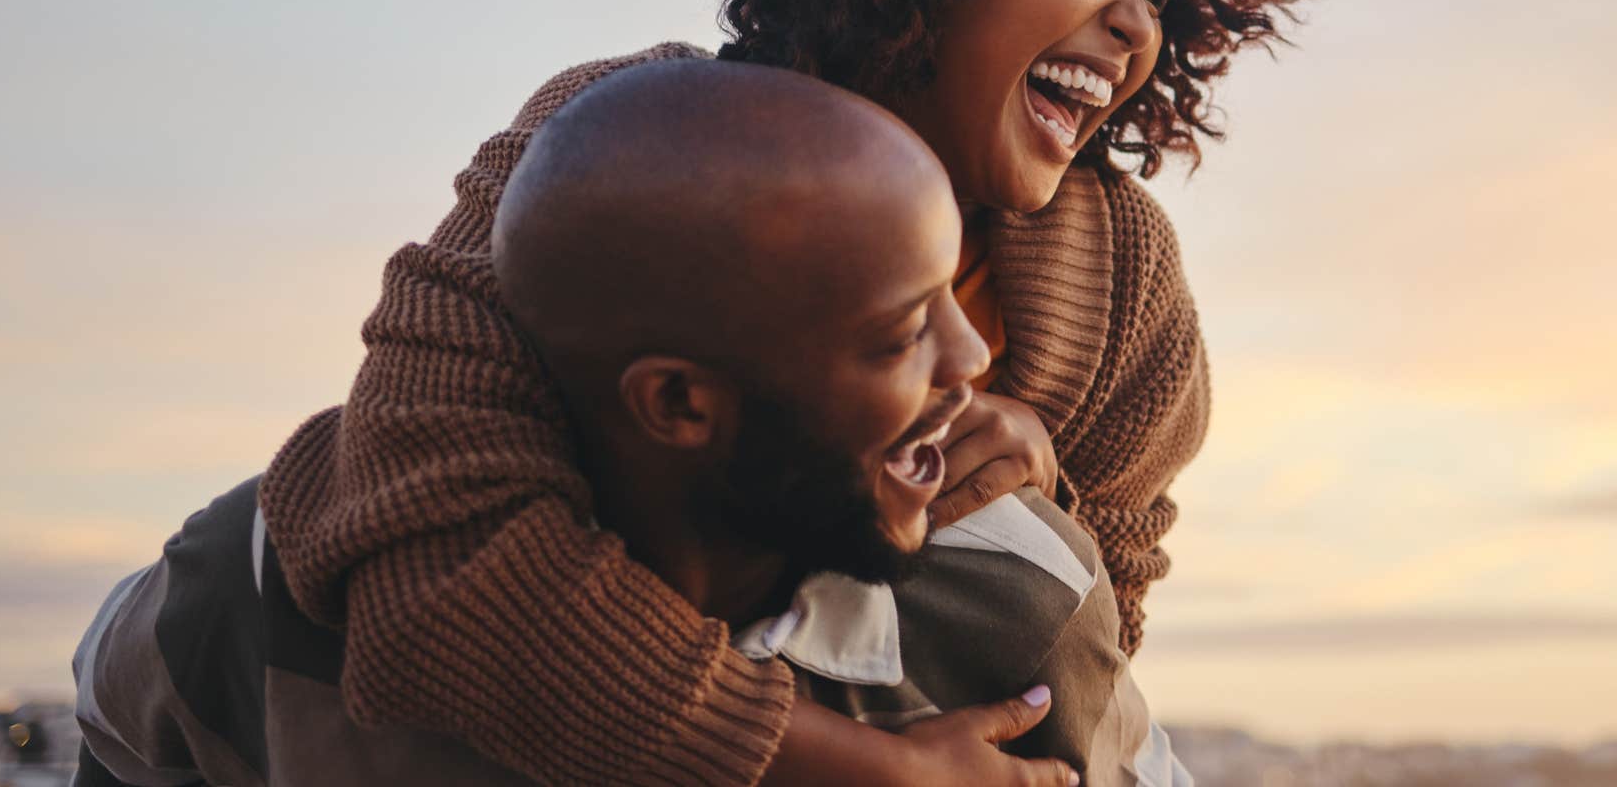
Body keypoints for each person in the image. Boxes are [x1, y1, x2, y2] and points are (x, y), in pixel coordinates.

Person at [259, 0, 1300, 783]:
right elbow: (433, 550)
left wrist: (1044, 487)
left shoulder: (1124, 277)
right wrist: (842, 767)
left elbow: (1091, 639)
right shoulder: (626, 143)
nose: (1137, 24)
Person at [70, 61, 1183, 786]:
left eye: (958, 291)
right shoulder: (253, 586)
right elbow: (119, 742)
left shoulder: (1017, 608)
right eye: (900, 335)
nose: (978, 362)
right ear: (680, 401)